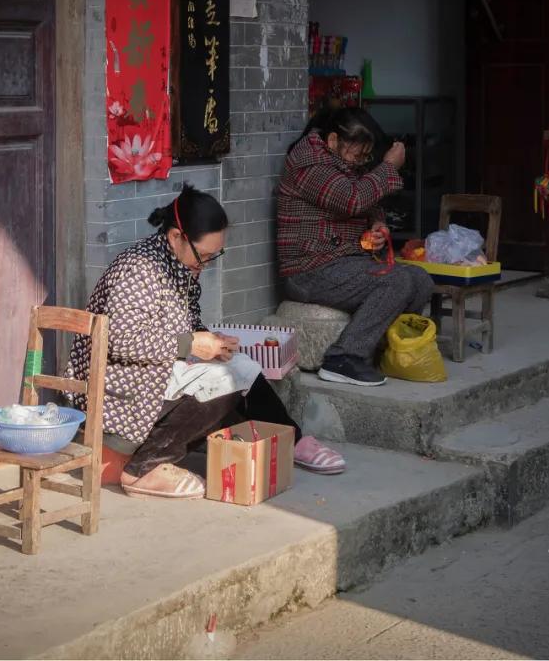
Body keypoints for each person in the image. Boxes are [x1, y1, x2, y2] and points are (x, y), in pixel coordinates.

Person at [67, 185, 346, 500]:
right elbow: (120, 342)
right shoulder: (137, 269)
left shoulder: (180, 265)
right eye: (205, 255)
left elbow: (187, 324)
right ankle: (145, 467)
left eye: (216, 255)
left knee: (240, 365)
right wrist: (191, 345)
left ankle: (291, 439)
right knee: (223, 379)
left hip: (156, 365)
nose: (208, 262)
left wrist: (210, 340)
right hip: (118, 377)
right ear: (176, 237)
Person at [277, 107, 434, 386]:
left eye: (366, 156)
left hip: (343, 261)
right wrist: (388, 167)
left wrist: (377, 224)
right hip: (309, 269)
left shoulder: (339, 159)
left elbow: (367, 201)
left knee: (420, 279)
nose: (360, 161)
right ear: (333, 139)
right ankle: (344, 359)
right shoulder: (309, 163)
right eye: (357, 153)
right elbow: (351, 200)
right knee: (395, 281)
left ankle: (387, 351)